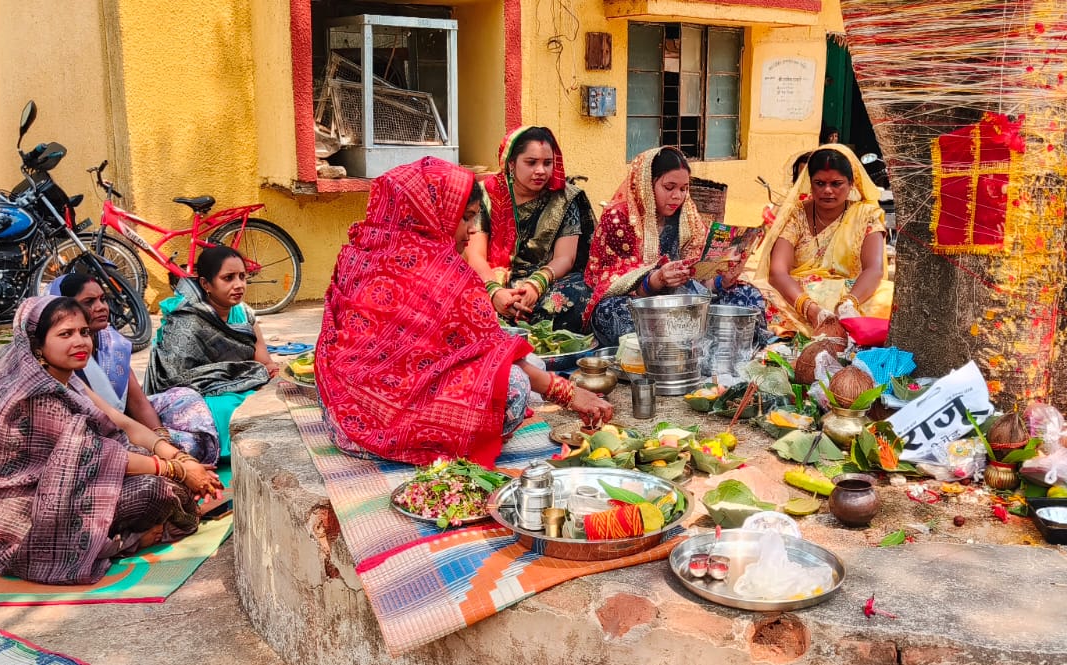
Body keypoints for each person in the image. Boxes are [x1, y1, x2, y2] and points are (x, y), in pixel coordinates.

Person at [316, 157, 613, 468]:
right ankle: (421, 443)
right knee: (514, 385)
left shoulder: (358, 253)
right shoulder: (444, 274)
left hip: (343, 414)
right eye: (466, 218)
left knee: (525, 364)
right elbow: (490, 354)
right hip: (394, 422)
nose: (472, 231)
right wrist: (567, 393)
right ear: (431, 214)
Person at [0, 295, 223, 585]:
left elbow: (119, 421)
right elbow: (94, 456)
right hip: (23, 516)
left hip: (67, 485)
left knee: (170, 468)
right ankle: (123, 543)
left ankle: (130, 527)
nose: (80, 342)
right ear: (36, 343)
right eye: (65, 334)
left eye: (84, 332)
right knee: (157, 490)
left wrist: (178, 457)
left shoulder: (65, 377)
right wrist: (177, 470)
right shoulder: (36, 396)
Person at [584, 147, 768, 347]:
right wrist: (657, 280)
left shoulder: (687, 217)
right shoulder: (618, 218)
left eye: (683, 188)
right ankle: (709, 341)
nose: (677, 196)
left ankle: (701, 341)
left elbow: (700, 278)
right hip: (639, 302)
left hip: (685, 298)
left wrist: (721, 281)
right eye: (669, 187)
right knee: (611, 315)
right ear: (647, 183)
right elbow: (609, 283)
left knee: (749, 296)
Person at [48, 273, 219, 464]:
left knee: (187, 401)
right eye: (89, 301)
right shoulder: (58, 357)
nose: (101, 307)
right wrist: (166, 458)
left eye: (103, 299)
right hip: (96, 435)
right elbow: (104, 421)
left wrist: (162, 440)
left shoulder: (112, 342)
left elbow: (137, 401)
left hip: (126, 421)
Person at [751, 144, 893, 339]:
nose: (827, 190)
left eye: (836, 184)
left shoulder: (866, 215)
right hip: (801, 296)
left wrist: (847, 305)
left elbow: (874, 270)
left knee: (889, 296)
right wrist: (812, 310)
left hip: (851, 296)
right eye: (819, 183)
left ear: (851, 183)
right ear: (810, 183)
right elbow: (777, 272)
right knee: (757, 293)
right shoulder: (796, 215)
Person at [144, 246, 275, 456]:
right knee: (225, 409)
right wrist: (246, 380)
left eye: (243, 277)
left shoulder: (244, 314)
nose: (239, 285)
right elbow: (175, 380)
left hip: (240, 387)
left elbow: (264, 364)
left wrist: (264, 377)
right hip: (198, 396)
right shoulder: (187, 321)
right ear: (206, 284)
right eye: (228, 278)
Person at [465, 126, 596, 332]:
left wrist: (536, 285)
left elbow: (566, 258)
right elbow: (475, 256)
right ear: (511, 163)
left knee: (579, 294)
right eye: (531, 162)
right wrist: (494, 292)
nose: (541, 171)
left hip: (546, 279)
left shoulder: (564, 198)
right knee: (460, 297)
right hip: (492, 276)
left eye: (547, 163)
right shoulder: (486, 194)